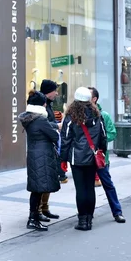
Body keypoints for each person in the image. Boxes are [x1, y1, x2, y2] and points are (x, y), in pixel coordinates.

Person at [60, 87, 107, 231]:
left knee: (80, 189)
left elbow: (65, 139)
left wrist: (63, 160)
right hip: (92, 157)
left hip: (77, 158)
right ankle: (89, 219)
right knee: (90, 188)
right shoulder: (97, 115)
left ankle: (82, 221)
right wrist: (101, 151)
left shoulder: (70, 116)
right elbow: (103, 136)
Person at [19, 90, 60, 232]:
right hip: (42, 156)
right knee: (38, 189)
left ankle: (35, 216)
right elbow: (54, 136)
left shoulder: (29, 118)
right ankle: (33, 219)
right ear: (40, 105)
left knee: (36, 188)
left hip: (34, 154)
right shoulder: (40, 119)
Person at [88, 87, 125, 223]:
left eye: (88, 95)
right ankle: (88, 214)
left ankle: (117, 212)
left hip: (101, 158)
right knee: (87, 188)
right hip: (85, 158)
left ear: (94, 99)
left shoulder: (104, 115)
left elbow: (112, 133)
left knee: (108, 185)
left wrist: (99, 142)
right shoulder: (82, 114)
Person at [39, 79, 65, 221]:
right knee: (42, 180)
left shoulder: (48, 104)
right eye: (54, 90)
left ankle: (45, 208)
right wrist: (56, 126)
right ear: (48, 91)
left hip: (50, 146)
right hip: (43, 147)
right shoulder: (40, 104)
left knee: (49, 178)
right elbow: (41, 123)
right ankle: (38, 211)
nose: (56, 93)